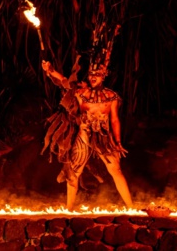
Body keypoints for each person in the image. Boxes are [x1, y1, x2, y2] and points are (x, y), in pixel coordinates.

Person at [41, 24, 133, 211]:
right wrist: (50, 70)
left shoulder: (111, 97)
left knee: (115, 169)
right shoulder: (81, 94)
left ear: (104, 76)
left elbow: (114, 120)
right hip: (84, 134)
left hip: (104, 136)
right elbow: (65, 82)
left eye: (97, 75)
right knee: (74, 172)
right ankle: (69, 209)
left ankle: (131, 206)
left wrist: (118, 141)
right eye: (91, 74)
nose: (93, 77)